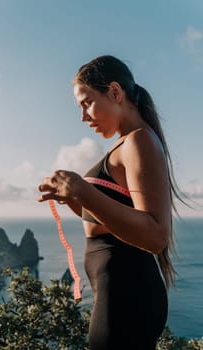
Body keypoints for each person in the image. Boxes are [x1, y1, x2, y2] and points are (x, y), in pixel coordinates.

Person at [38, 55, 181, 350]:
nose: (83, 116)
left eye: (86, 102)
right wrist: (74, 200)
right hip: (121, 294)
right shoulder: (126, 142)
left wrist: (83, 190)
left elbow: (155, 236)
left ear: (115, 92)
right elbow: (110, 223)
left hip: (128, 296)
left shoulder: (139, 140)